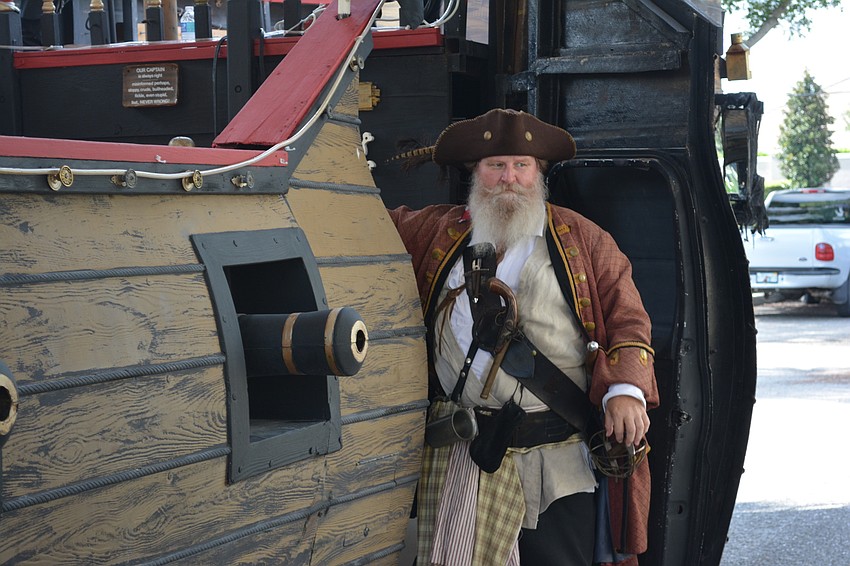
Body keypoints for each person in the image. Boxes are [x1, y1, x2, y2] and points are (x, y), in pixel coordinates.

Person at [388, 108, 659, 566]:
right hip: (462, 458)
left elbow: (629, 322)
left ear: (539, 173)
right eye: (495, 165)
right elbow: (363, 225)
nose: (508, 178)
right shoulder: (435, 230)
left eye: (521, 165)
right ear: (476, 172)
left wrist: (626, 391)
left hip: (552, 464)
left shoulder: (584, 239)